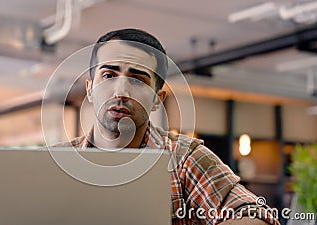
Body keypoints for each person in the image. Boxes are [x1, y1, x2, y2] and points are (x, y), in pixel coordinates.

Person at [54, 28, 280, 225]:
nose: (120, 92)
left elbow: (256, 214)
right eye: (108, 75)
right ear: (90, 89)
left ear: (157, 100)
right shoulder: (53, 160)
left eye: (137, 80)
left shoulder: (184, 158)